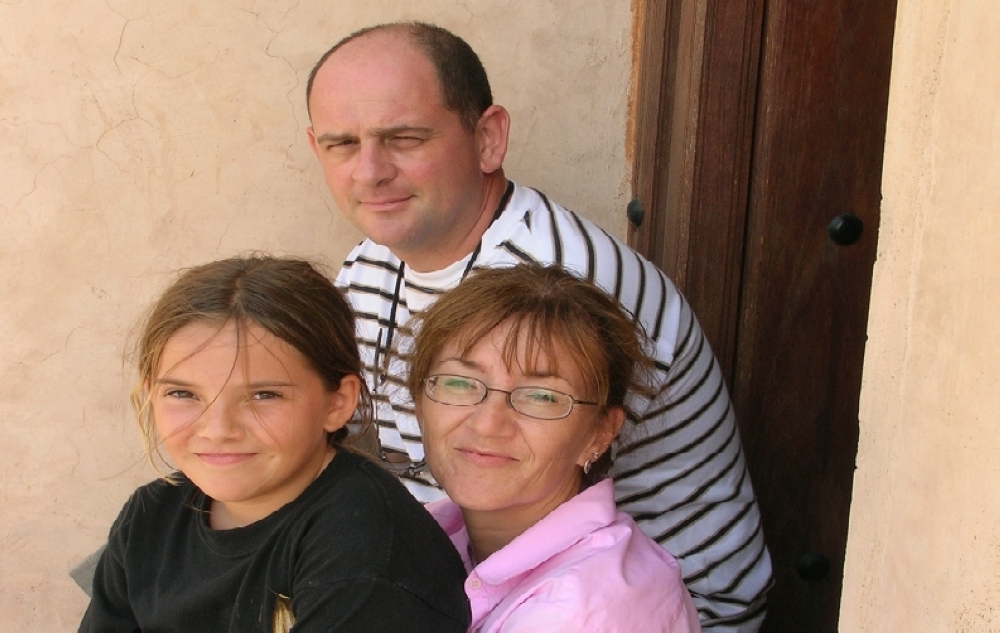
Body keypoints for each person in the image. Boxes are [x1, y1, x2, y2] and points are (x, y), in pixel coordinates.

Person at [306, 22, 772, 630]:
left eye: (404, 137)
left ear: (488, 139)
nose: (369, 171)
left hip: (647, 609)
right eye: (343, 144)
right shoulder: (373, 258)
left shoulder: (559, 285)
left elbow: (484, 475)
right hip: (483, 575)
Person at [78, 256, 471, 632]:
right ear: (150, 393)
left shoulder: (368, 550)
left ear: (338, 402)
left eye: (263, 395)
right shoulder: (151, 519)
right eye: (183, 394)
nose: (218, 428)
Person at [409, 263, 702, 632]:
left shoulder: (581, 614)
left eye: (542, 396)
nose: (487, 423)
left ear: (600, 432)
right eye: (459, 383)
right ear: (419, 404)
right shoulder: (423, 531)